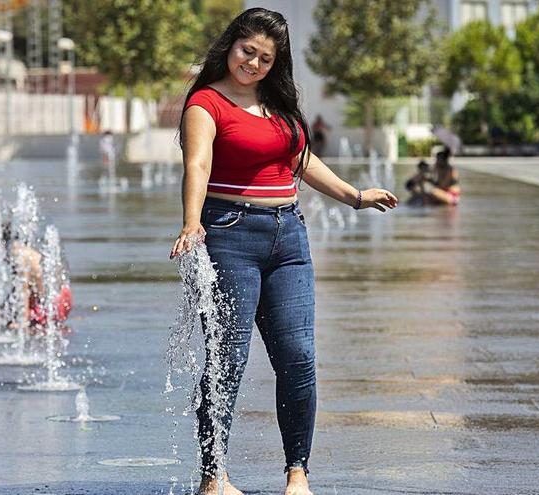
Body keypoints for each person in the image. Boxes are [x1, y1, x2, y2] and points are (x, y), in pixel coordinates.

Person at [169, 9, 398, 495]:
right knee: (226, 360)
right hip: (229, 235)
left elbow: (301, 159)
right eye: (246, 51)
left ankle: (298, 472)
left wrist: (355, 196)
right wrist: (191, 222)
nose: (252, 63)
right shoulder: (206, 104)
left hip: (289, 237)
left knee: (297, 357)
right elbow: (199, 163)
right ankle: (214, 477)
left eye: (265, 58)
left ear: (277, 63)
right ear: (231, 46)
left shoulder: (276, 103)